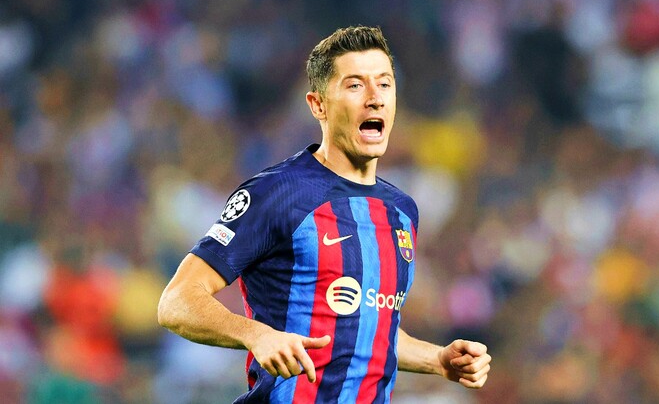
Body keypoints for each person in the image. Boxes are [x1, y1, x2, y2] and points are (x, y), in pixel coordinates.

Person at [157, 25, 491, 403]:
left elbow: (366, 330)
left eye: (384, 84)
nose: (375, 98)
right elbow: (177, 301)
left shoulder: (402, 212)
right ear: (318, 105)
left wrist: (438, 359)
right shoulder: (276, 194)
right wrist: (256, 334)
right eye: (355, 85)